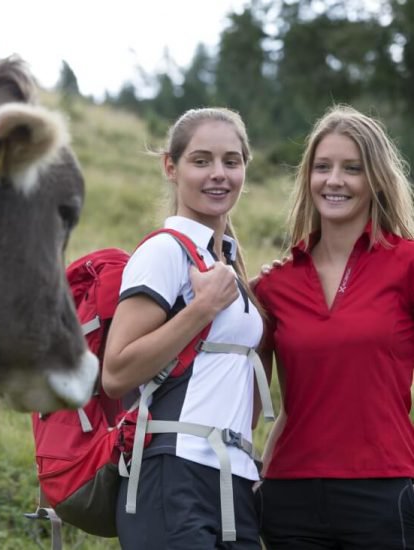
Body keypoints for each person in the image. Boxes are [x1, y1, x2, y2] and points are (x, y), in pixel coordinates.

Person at [102, 107, 265, 549]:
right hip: (171, 473)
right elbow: (116, 373)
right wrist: (201, 310)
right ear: (171, 167)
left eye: (231, 162)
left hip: (232, 478)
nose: (219, 174)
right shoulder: (163, 253)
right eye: (201, 161)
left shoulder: (228, 262)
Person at [254, 104, 414, 549]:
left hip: (383, 491)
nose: (334, 180)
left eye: (352, 168)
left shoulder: (406, 264)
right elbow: (269, 401)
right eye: (322, 167)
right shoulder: (274, 284)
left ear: (376, 178)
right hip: (289, 496)